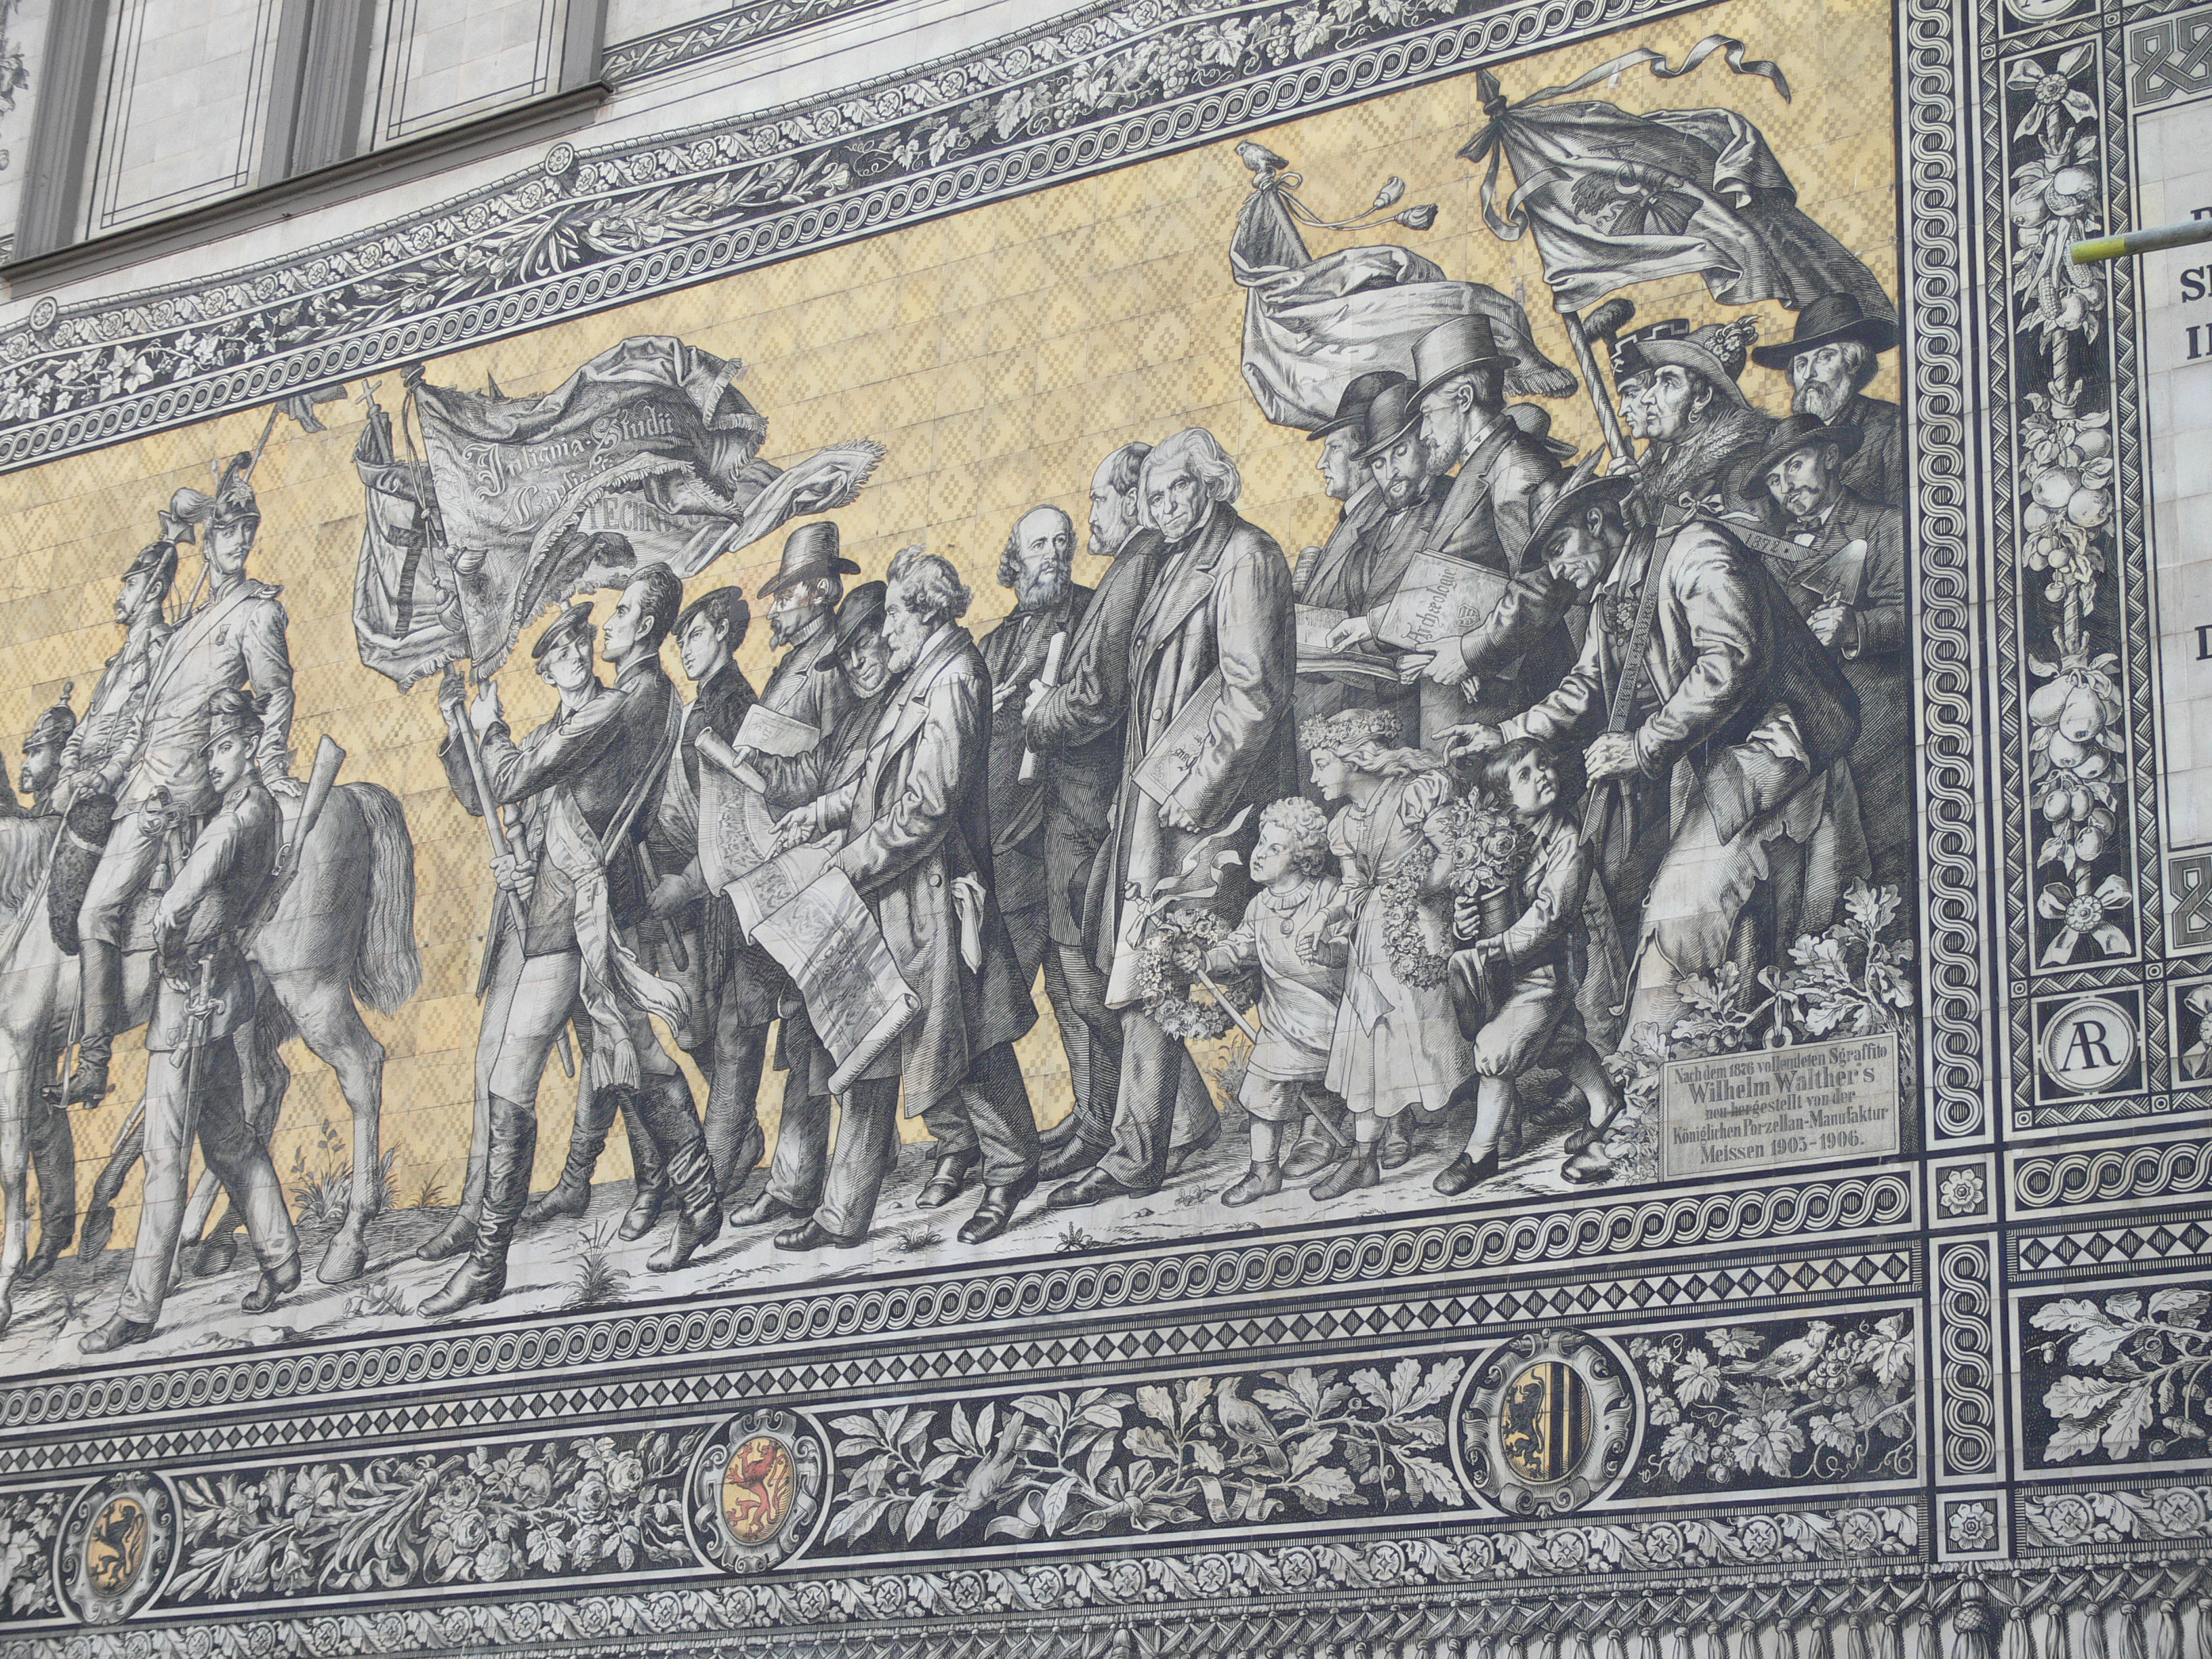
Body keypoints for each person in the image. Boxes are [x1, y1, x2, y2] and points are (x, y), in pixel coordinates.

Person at [1444, 461, 1869, 1036]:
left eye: (1560, 548)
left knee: (1681, 911)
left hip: (1783, 746)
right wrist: (1505, 733)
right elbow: (1587, 686)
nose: (1558, 570)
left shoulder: (1695, 550)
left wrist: (1642, 746)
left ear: (1596, 521)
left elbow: (1729, 662)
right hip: (1720, 765)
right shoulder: (1610, 597)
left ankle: (1654, 1058)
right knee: (1724, 919)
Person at [432, 577, 719, 1316]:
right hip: (583, 898)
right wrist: (465, 733)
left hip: (575, 908)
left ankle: (489, 1263)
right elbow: (512, 794)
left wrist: (489, 727)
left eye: (617, 615)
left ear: (646, 626)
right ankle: (701, 1201)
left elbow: (512, 777)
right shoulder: (640, 699)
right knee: (640, 1053)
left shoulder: (622, 703)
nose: (603, 631)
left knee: (513, 1068)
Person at [1051, 428, 1296, 1210]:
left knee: (1169, 962)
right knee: (1141, 963)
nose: (1164, 507)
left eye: (1177, 491)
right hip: (1159, 801)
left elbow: (1253, 696)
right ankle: (1152, 1141)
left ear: (1212, 485)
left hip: (1217, 809)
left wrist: (1202, 790)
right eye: (1154, 496)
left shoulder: (1246, 557)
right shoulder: (1176, 561)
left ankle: (1144, 1151)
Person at [772, 551, 1042, 1248]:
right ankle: (842, 1215)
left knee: (970, 1046)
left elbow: (926, 810)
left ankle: (1013, 1169)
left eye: (893, 613)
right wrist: (820, 813)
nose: (885, 627)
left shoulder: (954, 678)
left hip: (937, 899)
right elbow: (874, 781)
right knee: (880, 1048)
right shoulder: (920, 674)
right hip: (896, 894)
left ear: (925, 612)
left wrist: (844, 865)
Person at [66, 461, 296, 1108]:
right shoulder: (189, 620)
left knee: (95, 912)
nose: (240, 541)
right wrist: (105, 777)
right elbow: (144, 722)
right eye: (228, 531)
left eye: (247, 530)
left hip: (178, 793)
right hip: (138, 785)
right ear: (210, 540)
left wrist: (272, 764)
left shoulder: (257, 613)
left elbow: (276, 694)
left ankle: (93, 1060)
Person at [1022, 444, 1218, 1185]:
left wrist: (1042, 715)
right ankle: (1172, 1120)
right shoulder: (1134, 565)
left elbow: (1099, 697)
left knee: (1102, 975)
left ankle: (1155, 1128)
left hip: (1100, 802)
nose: (1091, 516)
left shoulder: (1136, 564)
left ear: (1132, 500)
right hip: (1098, 803)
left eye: (1098, 499)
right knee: (1100, 975)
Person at [81, 689, 300, 1353]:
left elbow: (177, 904)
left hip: (189, 1002)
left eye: (224, 747)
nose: (215, 760)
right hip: (223, 994)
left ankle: (139, 1308)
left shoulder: (236, 819)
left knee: (164, 1155)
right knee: (230, 1137)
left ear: (250, 744)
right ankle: (282, 1256)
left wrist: (165, 932)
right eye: (210, 750)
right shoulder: (258, 809)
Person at [730, 581, 901, 1234]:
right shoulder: (855, 716)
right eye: (847, 653)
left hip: (879, 899)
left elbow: (891, 811)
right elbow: (813, 778)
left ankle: (845, 1209)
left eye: (867, 646)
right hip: (830, 902)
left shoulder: (902, 710)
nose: (857, 663)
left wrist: (837, 842)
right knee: (805, 1042)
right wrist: (754, 770)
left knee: (867, 1055)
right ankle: (795, 1183)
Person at [1332, 317, 1572, 743]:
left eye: (1428, 414)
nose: (1425, 433)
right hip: (1476, 699)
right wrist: (1372, 625)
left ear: (1464, 399)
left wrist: (1468, 653)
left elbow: (1544, 586)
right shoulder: (1482, 466)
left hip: (1517, 702)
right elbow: (1464, 584)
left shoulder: (1515, 467)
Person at [631, 586, 780, 1212]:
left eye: (693, 635)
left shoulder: (735, 708)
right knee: (701, 1028)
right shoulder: (699, 707)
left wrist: (685, 883)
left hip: (737, 896)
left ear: (723, 630)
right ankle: (737, 1147)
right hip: (708, 900)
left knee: (736, 1035)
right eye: (680, 640)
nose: (684, 650)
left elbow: (738, 821)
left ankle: (711, 1181)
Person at [964, 506, 1092, 1213]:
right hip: (1008, 846)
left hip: (1066, 832)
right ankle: (1062, 1132)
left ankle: (1104, 1123)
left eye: (1063, 542)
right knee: (1012, 994)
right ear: (1013, 559)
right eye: (1039, 545)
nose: (1055, 554)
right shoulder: (993, 644)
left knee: (1081, 993)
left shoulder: (1089, 619)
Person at [1441, 737, 1622, 1194]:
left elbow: (1552, 916)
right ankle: (1606, 1104)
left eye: (1544, 764)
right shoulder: (1494, 835)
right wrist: (1465, 922)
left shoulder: (1569, 840)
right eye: (1525, 773)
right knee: (1559, 1043)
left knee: (1497, 1051)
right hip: (1504, 968)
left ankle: (1481, 1153)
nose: (1542, 775)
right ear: (1503, 795)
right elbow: (1475, 897)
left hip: (1548, 969)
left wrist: (1495, 947)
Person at [1307, 708, 1469, 1197]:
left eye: (1321, 764)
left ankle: (1497, 1125)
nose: (1314, 778)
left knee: (1435, 1037)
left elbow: (1456, 855)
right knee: (1368, 1039)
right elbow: (1353, 888)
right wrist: (1325, 916)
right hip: (1371, 938)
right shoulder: (1343, 825)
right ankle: (1365, 1158)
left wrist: (1409, 891)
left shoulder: (1415, 795)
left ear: (1355, 760)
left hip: (1420, 931)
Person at [1741, 416, 1910, 883]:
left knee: (1882, 865)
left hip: (1874, 728)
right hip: (1806, 732)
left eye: (1795, 465)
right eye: (1774, 479)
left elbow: (1921, 617)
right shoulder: (1770, 549)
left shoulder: (1885, 525)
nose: (1786, 487)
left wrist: (1856, 627)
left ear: (1832, 456)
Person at [1195, 797, 1349, 1206]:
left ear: (1302, 858)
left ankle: (1323, 1140)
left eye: (1274, 847)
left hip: (1333, 1015)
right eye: (1261, 842)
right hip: (1282, 1021)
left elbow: (1351, 946)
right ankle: (1264, 1172)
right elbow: (1239, 948)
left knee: (1331, 1084)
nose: (1259, 853)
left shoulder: (1329, 895)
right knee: (1262, 1092)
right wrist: (1206, 960)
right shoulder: (1258, 906)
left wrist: (1328, 952)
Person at [47, 537, 176, 971]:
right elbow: (84, 726)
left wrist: (108, 774)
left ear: (153, 589)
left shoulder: (161, 650)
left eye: (130, 584)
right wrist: (69, 772)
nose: (121, 595)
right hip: (80, 785)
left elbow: (141, 726)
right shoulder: (117, 661)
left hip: (119, 790)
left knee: (88, 912)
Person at [16, 688, 78, 1280]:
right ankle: (58, 1225)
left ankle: (57, 1225)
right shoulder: (36, 815)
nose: (26, 763)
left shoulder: (63, 809)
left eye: (36, 750)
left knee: (37, 1102)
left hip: (66, 968)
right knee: (37, 1104)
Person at [1607, 319, 1773, 524]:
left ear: (1702, 398)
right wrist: (1625, 509)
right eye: (1656, 382)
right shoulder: (1656, 468)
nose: (1648, 397)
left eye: (1669, 383)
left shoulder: (1744, 469)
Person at [1749, 292, 1905, 509]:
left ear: (1853, 364)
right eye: (1801, 364)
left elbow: (1902, 516)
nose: (1808, 374)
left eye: (1824, 357)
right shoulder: (1785, 438)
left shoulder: (1892, 427)